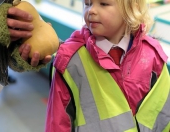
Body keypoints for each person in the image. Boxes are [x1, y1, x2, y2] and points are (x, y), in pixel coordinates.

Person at [45, 0, 170, 131]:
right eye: (87, 3)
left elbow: (164, 114)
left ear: (131, 8)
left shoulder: (153, 56)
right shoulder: (69, 61)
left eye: (103, 4)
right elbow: (58, 122)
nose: (91, 10)